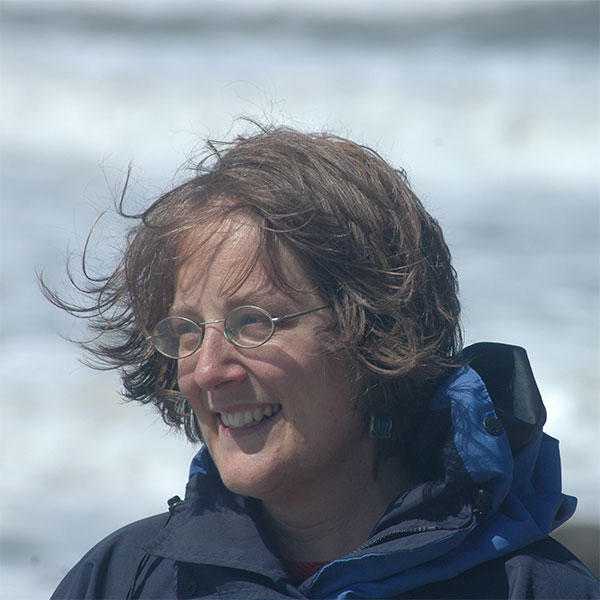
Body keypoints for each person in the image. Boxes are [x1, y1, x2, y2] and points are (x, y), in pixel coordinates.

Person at [47, 125, 598, 599]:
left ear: (376, 334)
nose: (209, 369)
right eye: (188, 331)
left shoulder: (533, 588)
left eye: (254, 322)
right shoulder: (126, 578)